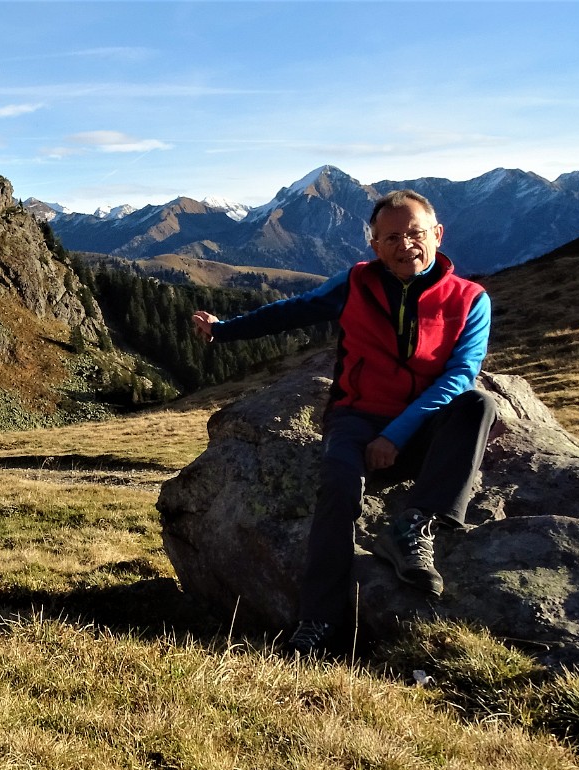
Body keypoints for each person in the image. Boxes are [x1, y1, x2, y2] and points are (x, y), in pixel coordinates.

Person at [191, 189, 495, 656]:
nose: (405, 244)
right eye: (391, 236)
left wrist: (395, 435)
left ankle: (413, 526)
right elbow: (295, 310)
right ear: (375, 245)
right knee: (338, 486)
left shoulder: (470, 299)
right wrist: (225, 329)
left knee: (476, 404)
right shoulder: (357, 282)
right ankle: (318, 620)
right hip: (356, 415)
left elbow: (459, 374)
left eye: (415, 233)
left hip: (423, 424)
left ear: (437, 234)